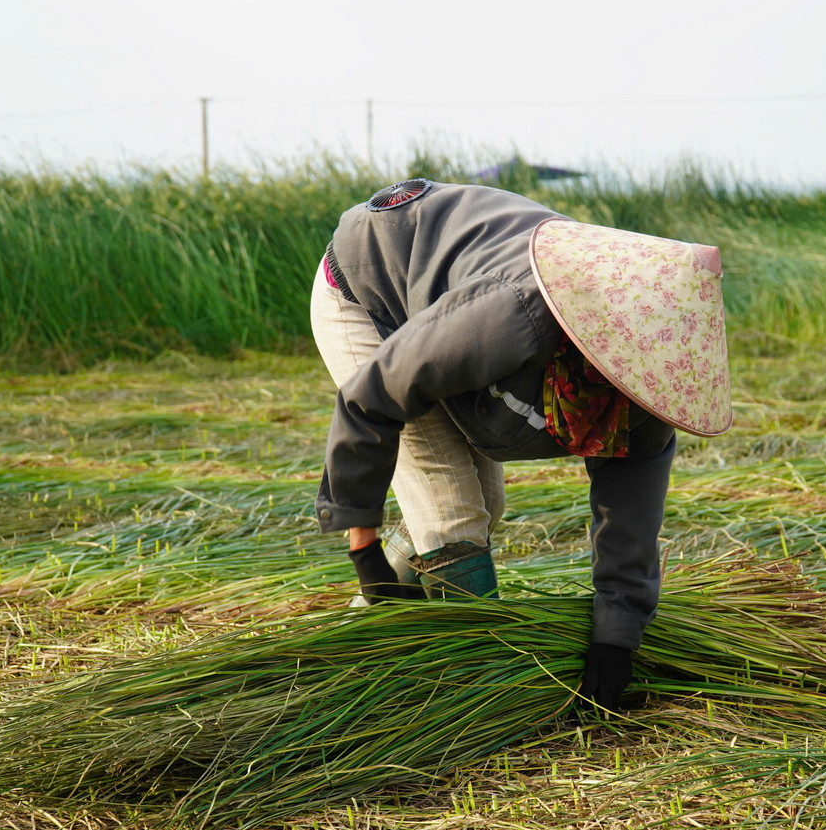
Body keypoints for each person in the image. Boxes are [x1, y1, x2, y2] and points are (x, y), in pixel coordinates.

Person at [310, 179, 731, 710]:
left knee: (487, 505)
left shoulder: (648, 392)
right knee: (453, 517)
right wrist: (365, 551)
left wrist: (616, 637)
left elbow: (631, 517)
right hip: (370, 290)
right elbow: (372, 395)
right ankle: (468, 699)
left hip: (444, 312)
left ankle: (354, 643)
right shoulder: (513, 314)